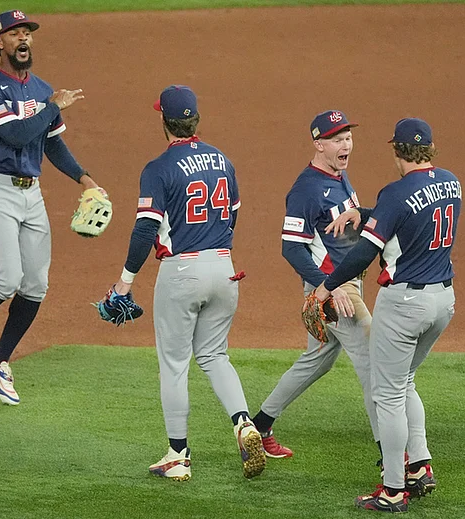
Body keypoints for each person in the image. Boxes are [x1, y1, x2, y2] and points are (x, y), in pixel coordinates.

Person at [103, 85, 265, 481]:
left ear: (164, 121)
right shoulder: (222, 161)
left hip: (182, 272)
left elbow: (144, 231)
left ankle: (177, 455)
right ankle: (243, 422)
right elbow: (233, 215)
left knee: (174, 365)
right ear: (195, 120)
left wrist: (124, 282)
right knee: (214, 355)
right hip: (224, 268)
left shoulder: (158, 168)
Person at [0, 10, 104, 405]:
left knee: (36, 285)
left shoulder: (42, 89)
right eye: (15, 33)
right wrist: (52, 106)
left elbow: (50, 144)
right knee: (8, 277)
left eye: (28, 33)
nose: (23, 39)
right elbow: (15, 135)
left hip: (31, 195)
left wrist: (85, 179)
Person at [315, 118, 461, 512]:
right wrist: (366, 212)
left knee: (388, 394)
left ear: (397, 151)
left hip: (404, 305)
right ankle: (421, 467)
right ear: (430, 149)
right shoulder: (452, 182)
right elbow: (414, 214)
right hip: (442, 301)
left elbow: (365, 252)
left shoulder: (394, 193)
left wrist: (328, 285)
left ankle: (394, 489)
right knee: (406, 381)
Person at [249, 110, 379, 460]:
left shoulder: (339, 175)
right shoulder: (306, 190)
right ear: (318, 143)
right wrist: (329, 287)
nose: (346, 144)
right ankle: (393, 455)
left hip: (347, 283)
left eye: (348, 137)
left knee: (318, 358)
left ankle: (258, 425)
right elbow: (291, 248)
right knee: (374, 362)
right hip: (334, 292)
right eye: (337, 139)